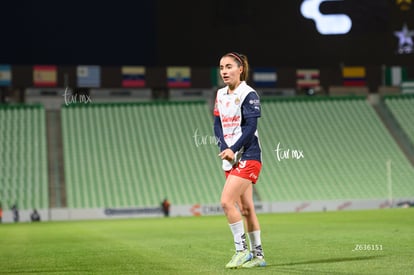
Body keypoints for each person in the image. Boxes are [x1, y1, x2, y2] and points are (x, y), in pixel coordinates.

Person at [213, 52, 266, 269]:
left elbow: (251, 127)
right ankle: (259, 256)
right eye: (221, 67)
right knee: (246, 209)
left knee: (226, 202)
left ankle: (241, 251)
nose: (224, 71)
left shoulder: (248, 93)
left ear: (240, 69)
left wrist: (233, 148)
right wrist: (224, 147)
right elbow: (217, 124)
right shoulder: (220, 94)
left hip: (249, 156)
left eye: (228, 67)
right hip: (231, 158)